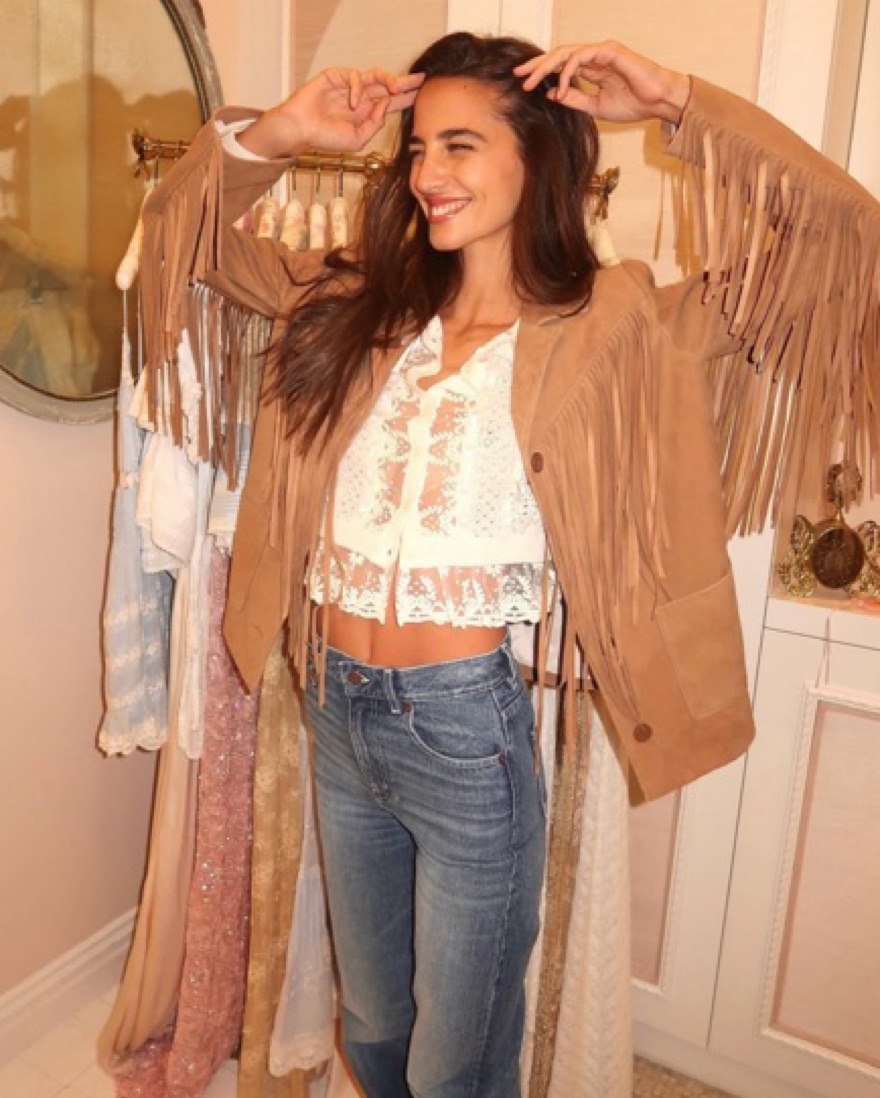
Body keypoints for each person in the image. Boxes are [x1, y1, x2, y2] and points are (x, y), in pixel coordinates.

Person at [140, 31, 880, 1098]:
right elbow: (179, 239)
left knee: (459, 1063)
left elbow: (849, 243)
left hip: (464, 736)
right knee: (372, 1028)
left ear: (537, 157)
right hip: (336, 709)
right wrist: (283, 131)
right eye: (417, 148)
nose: (426, 174)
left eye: (460, 146)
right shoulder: (352, 303)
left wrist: (675, 99)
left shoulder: (618, 323)